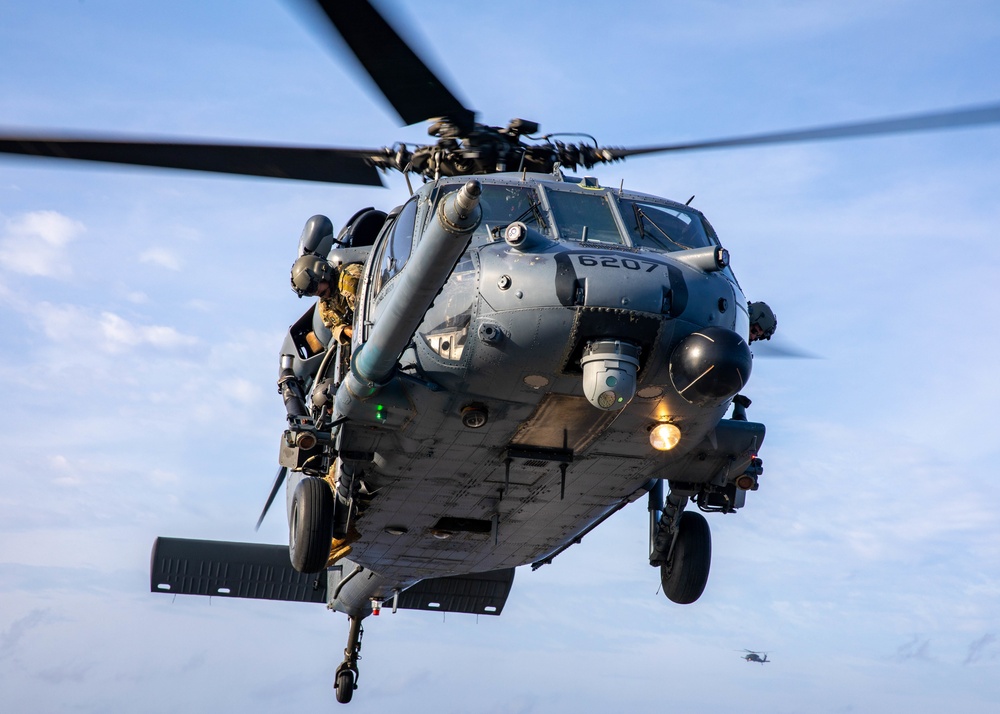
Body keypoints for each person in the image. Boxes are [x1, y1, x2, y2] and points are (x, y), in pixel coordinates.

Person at [290, 255, 362, 345]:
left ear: (321, 272)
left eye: (313, 287)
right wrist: (344, 330)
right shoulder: (325, 306)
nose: (315, 293)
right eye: (309, 293)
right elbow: (333, 327)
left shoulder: (350, 277)